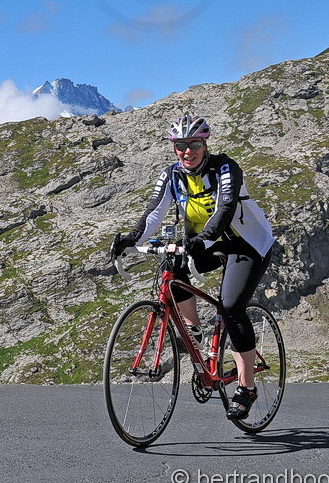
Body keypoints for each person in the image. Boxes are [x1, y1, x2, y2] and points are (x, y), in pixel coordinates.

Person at [110, 114, 275, 420]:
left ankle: (246, 387)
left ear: (204, 144)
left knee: (230, 307)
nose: (188, 151)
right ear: (174, 148)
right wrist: (129, 239)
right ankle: (193, 329)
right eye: (181, 145)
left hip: (246, 244)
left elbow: (225, 209)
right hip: (204, 242)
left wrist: (203, 240)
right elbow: (153, 214)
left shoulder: (226, 167)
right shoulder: (172, 175)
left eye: (194, 144)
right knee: (170, 268)